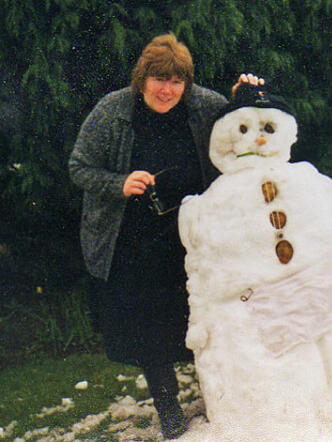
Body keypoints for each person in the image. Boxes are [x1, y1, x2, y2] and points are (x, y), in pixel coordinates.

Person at [69, 33, 262, 439]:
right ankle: (168, 405)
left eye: (177, 81)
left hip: (192, 235)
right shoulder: (114, 111)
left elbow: (239, 122)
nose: (167, 90)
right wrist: (119, 182)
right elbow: (80, 166)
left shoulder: (202, 105)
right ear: (142, 79)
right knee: (150, 326)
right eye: (159, 79)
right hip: (132, 239)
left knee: (203, 317)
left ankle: (219, 395)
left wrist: (243, 95)